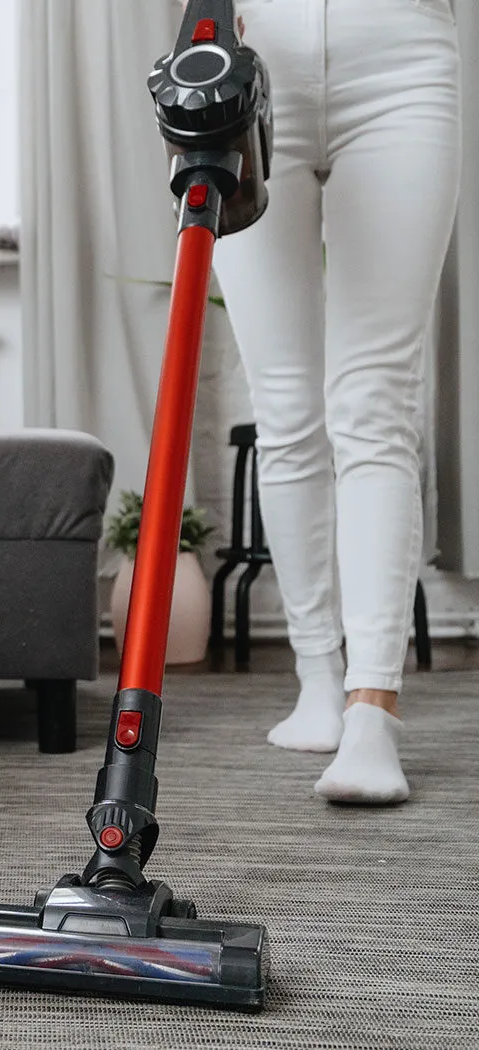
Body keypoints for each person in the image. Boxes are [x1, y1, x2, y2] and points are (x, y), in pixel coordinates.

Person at [182, 0, 462, 803]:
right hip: (253, 58)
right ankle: (317, 678)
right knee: (286, 408)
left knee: (375, 402)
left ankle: (372, 705)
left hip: (402, 57)